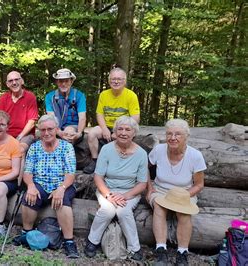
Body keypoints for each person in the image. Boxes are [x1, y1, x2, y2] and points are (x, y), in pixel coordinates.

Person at [15, 114, 80, 258]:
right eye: (43, 130)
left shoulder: (66, 147)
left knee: (62, 201)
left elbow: (70, 174)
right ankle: (27, 233)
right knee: (29, 197)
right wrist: (31, 186)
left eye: (50, 129)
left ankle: (69, 241)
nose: (46, 133)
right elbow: (27, 172)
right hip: (41, 183)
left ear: (57, 129)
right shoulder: (34, 147)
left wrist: (61, 189)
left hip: (62, 184)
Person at [84, 116, 147, 261]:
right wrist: (108, 195)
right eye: (120, 129)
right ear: (115, 132)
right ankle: (92, 241)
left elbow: (142, 184)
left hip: (130, 192)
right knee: (108, 209)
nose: (123, 133)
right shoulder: (106, 149)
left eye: (127, 130)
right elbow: (98, 177)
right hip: (107, 189)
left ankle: (134, 248)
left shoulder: (141, 154)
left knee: (123, 210)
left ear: (134, 133)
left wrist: (125, 196)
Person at [147, 119, 206, 266]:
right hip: (160, 190)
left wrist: (184, 196)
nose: (173, 138)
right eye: (169, 134)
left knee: (184, 213)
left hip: (185, 192)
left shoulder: (195, 155)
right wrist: (149, 188)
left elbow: (199, 185)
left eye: (178, 134)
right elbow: (144, 168)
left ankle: (182, 252)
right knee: (159, 207)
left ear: (186, 136)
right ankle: (161, 250)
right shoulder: (159, 150)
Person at [87, 67, 140, 172]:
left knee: (123, 137)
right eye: (113, 79)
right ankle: (95, 161)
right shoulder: (104, 94)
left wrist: (120, 131)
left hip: (123, 126)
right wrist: (104, 129)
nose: (116, 81)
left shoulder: (131, 95)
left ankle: (120, 165)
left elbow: (135, 117)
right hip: (107, 125)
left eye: (119, 79)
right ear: (109, 80)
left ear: (124, 81)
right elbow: (99, 113)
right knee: (91, 133)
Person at [45, 68, 94, 173]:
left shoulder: (79, 95)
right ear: (57, 82)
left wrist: (80, 133)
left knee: (69, 130)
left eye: (66, 81)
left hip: (73, 126)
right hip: (56, 126)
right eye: (61, 81)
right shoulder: (50, 97)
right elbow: (51, 117)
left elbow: (82, 117)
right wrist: (58, 132)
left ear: (71, 81)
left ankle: (65, 167)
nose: (63, 84)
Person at [0, 71, 38, 152]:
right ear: (7, 84)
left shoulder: (30, 97)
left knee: (19, 150)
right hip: (6, 134)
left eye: (17, 79)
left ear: (22, 81)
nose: (14, 83)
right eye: (11, 81)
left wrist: (19, 137)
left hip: (25, 135)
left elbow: (32, 122)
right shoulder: (3, 98)